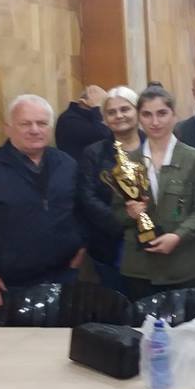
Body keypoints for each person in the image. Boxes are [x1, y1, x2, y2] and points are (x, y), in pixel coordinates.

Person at [0, 95, 85, 325]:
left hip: (61, 279)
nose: (35, 130)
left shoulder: (67, 164)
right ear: (8, 128)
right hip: (4, 286)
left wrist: (81, 246)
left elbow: (81, 211)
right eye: (25, 123)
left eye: (42, 123)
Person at [116, 86, 195, 300]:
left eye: (162, 113)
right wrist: (129, 213)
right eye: (147, 114)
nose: (155, 122)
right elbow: (117, 212)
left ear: (174, 115)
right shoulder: (127, 163)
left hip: (183, 265)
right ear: (139, 118)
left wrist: (178, 236)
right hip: (140, 267)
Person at [78, 86, 145, 293]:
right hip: (110, 242)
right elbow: (87, 197)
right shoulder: (93, 153)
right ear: (105, 119)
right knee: (117, 300)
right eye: (111, 112)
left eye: (125, 109)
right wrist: (123, 220)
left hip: (155, 241)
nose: (119, 115)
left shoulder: (156, 145)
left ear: (137, 111)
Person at [54, 85, 110, 161]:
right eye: (101, 104)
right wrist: (96, 107)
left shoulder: (91, 117)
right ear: (84, 102)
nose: (104, 109)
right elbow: (103, 135)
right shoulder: (69, 120)